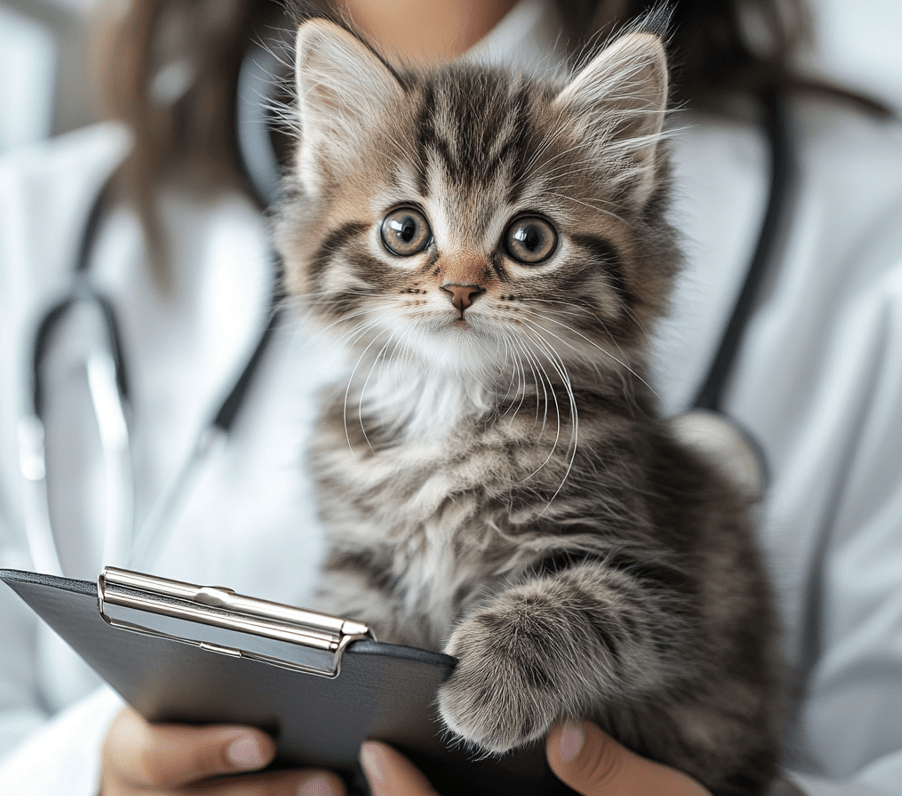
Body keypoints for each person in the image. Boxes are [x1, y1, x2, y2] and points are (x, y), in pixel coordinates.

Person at [1, 0, 901, 794]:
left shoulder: (864, 207)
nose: (462, 279)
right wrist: (96, 774)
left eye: (529, 237)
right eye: (406, 230)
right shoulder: (39, 214)